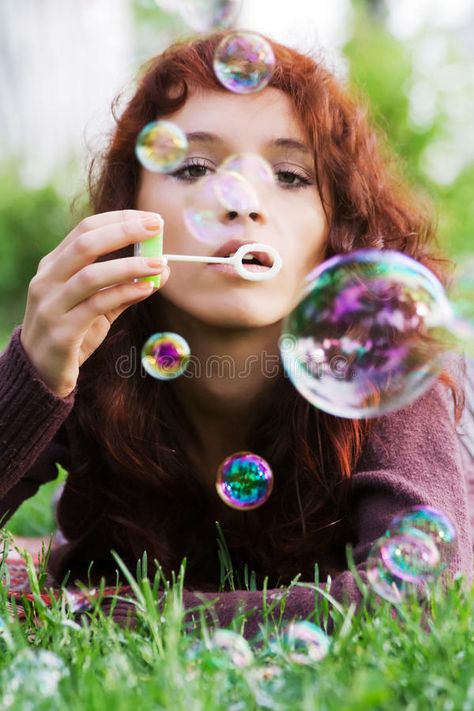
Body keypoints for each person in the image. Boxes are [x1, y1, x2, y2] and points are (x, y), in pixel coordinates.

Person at [0, 31, 472, 639]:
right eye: (194, 167)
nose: (242, 202)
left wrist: (133, 615)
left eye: (290, 174)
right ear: (131, 212)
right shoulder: (96, 354)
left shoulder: (381, 361)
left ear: (337, 233)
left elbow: (418, 597)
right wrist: (34, 374)